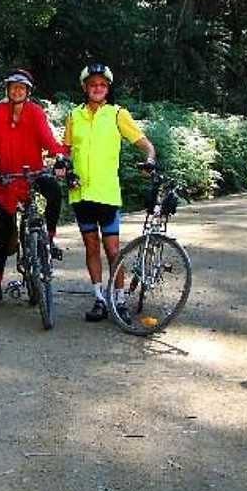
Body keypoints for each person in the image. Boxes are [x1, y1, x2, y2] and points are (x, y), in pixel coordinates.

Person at [64, 63, 156, 322]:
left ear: (108, 89)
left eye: (102, 85)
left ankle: (120, 300)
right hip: (80, 193)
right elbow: (64, 149)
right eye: (93, 84)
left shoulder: (118, 114)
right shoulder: (74, 116)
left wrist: (149, 158)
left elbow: (144, 143)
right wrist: (61, 165)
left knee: (114, 250)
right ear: (85, 87)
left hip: (107, 193)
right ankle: (99, 299)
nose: (97, 88)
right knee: (91, 247)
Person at [0, 68, 67, 307]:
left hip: (33, 173)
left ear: (28, 91)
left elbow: (48, 139)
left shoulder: (35, 112)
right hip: (7, 177)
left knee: (54, 192)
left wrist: (59, 157)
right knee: (3, 233)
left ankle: (48, 237)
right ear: (7, 89)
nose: (17, 90)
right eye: (13, 86)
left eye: (22, 87)